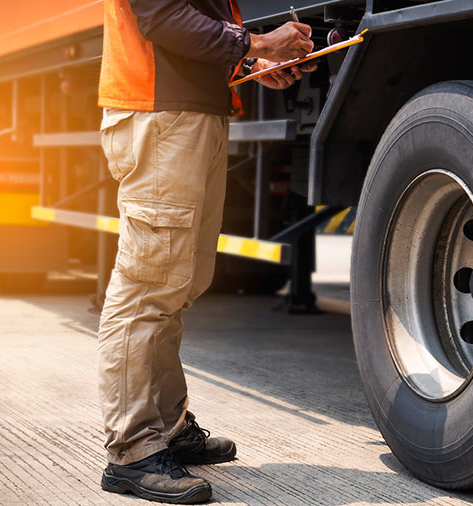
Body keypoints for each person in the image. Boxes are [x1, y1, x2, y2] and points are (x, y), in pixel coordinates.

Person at [95, 1, 315, 503]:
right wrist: (256, 43)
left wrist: (249, 64)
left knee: (178, 284)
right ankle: (132, 452)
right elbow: (161, 16)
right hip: (160, 116)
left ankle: (167, 428)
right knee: (147, 290)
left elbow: (197, 20)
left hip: (189, 115)